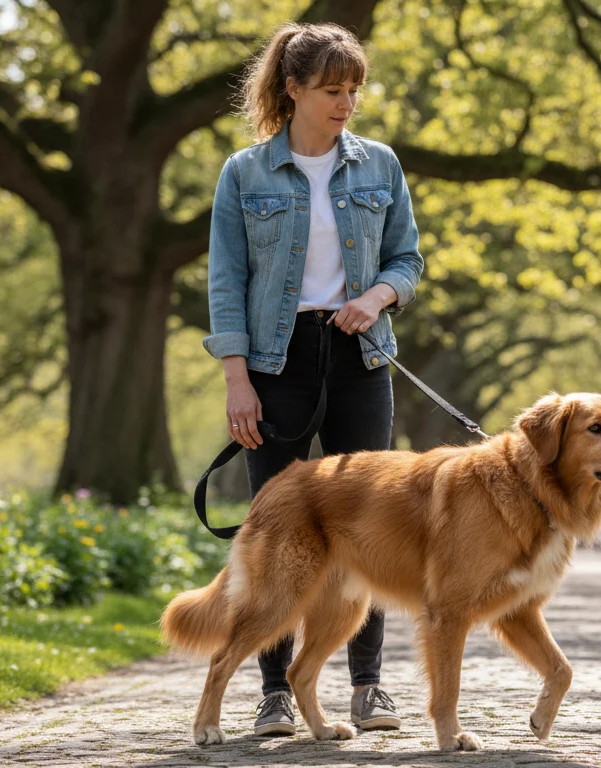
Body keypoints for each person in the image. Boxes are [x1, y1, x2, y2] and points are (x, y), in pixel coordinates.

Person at [203, 22, 423, 738]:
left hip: (361, 356)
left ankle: (368, 687)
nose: (347, 102)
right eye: (333, 89)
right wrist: (238, 381)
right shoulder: (245, 173)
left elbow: (408, 259)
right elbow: (227, 282)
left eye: (354, 89)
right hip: (275, 364)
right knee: (281, 536)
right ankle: (273, 694)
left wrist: (378, 297)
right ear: (292, 89)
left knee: (374, 527)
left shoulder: (380, 165)